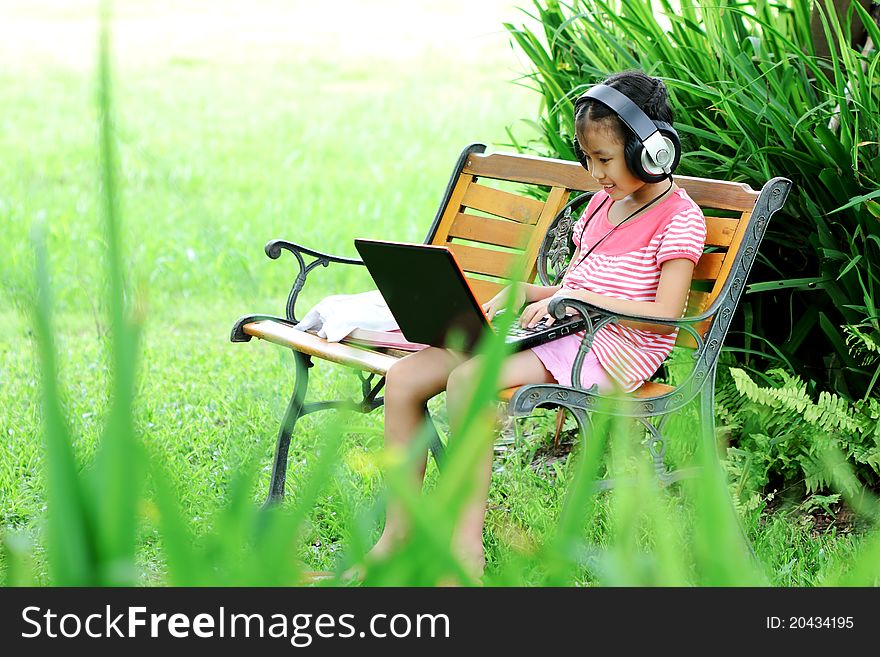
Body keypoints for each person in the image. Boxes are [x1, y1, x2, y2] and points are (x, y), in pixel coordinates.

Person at [368, 70, 707, 579]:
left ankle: (464, 553)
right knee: (405, 378)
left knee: (467, 380)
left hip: (614, 345)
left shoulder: (681, 218)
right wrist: (530, 293)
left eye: (606, 160)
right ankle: (395, 538)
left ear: (651, 151)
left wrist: (571, 298)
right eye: (588, 160)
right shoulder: (601, 204)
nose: (596, 173)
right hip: (568, 330)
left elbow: (665, 316)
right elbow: (579, 286)